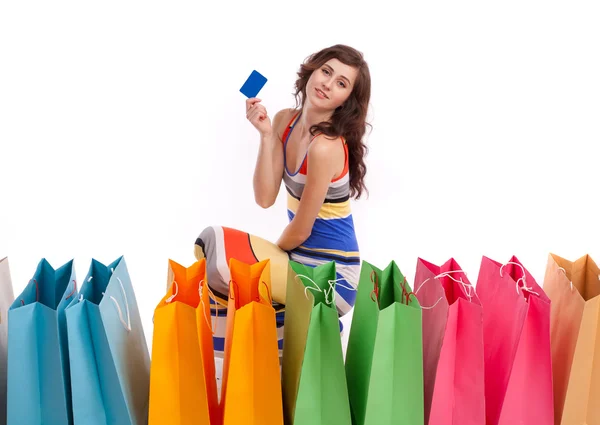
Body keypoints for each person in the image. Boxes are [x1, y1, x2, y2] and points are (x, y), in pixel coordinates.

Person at [194, 44, 371, 355]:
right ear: (311, 71)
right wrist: (266, 135)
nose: (328, 84)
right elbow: (264, 198)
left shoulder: (326, 147)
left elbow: (301, 230)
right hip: (296, 261)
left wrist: (266, 259)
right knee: (207, 249)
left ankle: (312, 319)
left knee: (219, 252)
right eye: (326, 72)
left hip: (331, 278)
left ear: (347, 101)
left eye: (341, 83)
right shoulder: (284, 121)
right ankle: (279, 335)